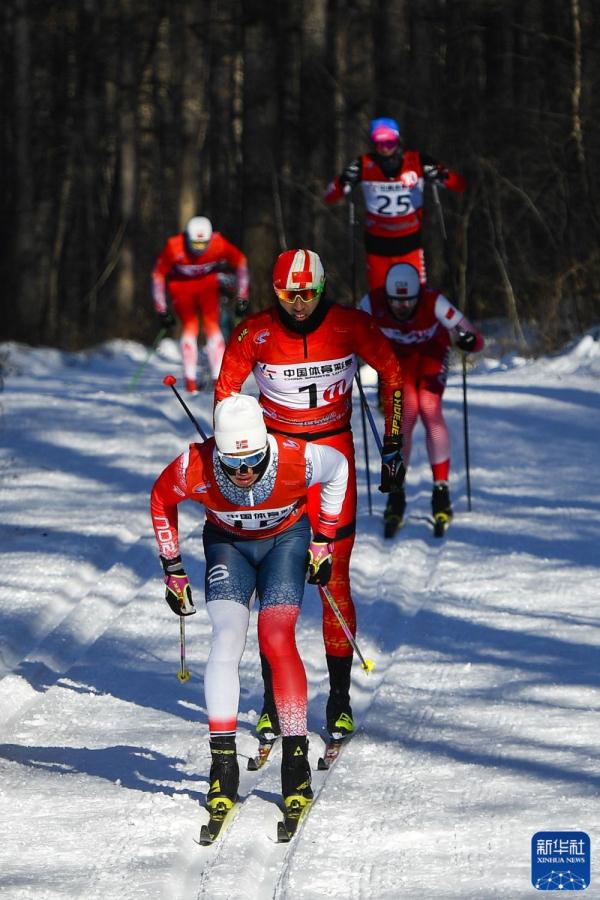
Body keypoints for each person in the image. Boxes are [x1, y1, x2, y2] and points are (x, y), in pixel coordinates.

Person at [214, 248, 405, 742]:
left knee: (333, 574)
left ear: (323, 288)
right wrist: (234, 458)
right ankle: (273, 701)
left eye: (308, 293)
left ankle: (338, 699)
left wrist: (392, 442)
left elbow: (394, 372)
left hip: (335, 458)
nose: (298, 304)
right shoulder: (253, 332)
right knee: (274, 580)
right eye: (287, 294)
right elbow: (226, 395)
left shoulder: (350, 325)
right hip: (275, 464)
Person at [150, 394, 349, 814]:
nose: (243, 472)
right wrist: (173, 568)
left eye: (254, 462)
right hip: (228, 548)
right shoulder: (195, 466)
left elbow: (340, 469)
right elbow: (160, 498)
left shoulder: (297, 458)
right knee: (226, 639)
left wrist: (324, 539)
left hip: (286, 543)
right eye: (231, 463)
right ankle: (222, 764)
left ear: (266, 446)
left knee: (276, 637)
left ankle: (295, 758)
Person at [359, 262, 484, 536]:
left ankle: (441, 492)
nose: (402, 307)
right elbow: (346, 332)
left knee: (429, 406)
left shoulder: (434, 301)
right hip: (398, 362)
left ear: (419, 294)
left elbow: (476, 339)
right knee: (404, 416)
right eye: (396, 302)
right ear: (387, 296)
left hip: (430, 356)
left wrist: (466, 341)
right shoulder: (371, 302)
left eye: (408, 301)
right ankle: (396, 493)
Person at [324, 117, 466, 291]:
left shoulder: (417, 161)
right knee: (379, 299)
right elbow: (329, 196)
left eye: (390, 143)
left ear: (398, 141)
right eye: (379, 144)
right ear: (373, 143)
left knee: (416, 298)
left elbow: (459, 184)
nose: (385, 149)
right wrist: (343, 182)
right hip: (377, 247)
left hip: (410, 245)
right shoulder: (363, 164)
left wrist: (442, 174)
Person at [151, 216, 249, 393]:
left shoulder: (219, 244)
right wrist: (162, 310)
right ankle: (191, 383)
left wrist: (243, 296)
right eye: (194, 244)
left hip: (207, 286)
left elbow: (241, 262)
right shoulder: (174, 247)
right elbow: (158, 275)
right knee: (190, 328)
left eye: (203, 244)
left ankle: (216, 380)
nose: (199, 249)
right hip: (181, 288)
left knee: (213, 329)